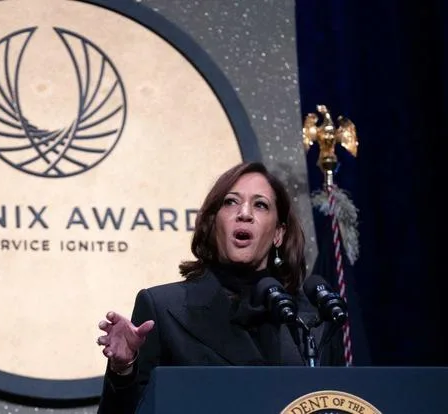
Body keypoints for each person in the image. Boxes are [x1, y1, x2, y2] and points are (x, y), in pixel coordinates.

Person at [95, 161, 345, 413]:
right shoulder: (163, 309)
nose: (244, 213)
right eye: (231, 202)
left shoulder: (312, 320)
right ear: (214, 224)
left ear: (278, 233)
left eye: (260, 205)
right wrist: (123, 369)